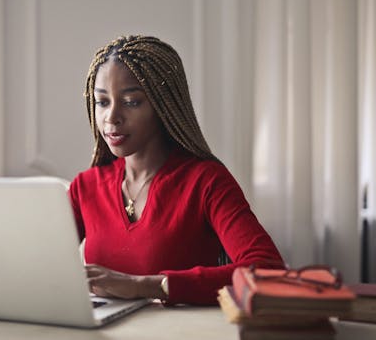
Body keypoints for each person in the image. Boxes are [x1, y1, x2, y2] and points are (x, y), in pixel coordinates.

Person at [69, 35, 283, 305]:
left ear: (163, 105)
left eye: (132, 102)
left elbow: (268, 271)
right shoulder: (85, 187)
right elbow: (37, 268)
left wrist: (144, 285)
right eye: (102, 102)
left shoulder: (205, 181)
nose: (111, 117)